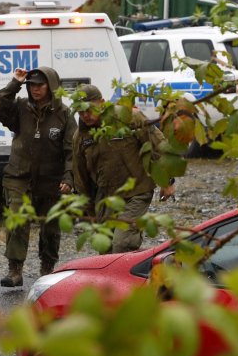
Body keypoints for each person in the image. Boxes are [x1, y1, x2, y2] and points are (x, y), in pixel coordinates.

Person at [0, 66, 74, 287]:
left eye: (40, 85)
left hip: (50, 179)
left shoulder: (64, 114)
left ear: (52, 87)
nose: (35, 89)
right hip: (19, 175)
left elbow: (71, 151)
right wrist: (15, 83)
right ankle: (15, 270)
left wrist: (68, 178)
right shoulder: (20, 108)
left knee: (50, 225)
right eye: (32, 85)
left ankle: (47, 268)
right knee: (17, 218)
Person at [72, 84, 175, 253]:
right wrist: (88, 210)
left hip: (137, 191)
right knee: (105, 250)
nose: (85, 115)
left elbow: (158, 144)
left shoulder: (128, 118)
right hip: (106, 197)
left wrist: (167, 180)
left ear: (102, 103)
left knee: (121, 243)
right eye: (80, 111)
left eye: (89, 109)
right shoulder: (80, 137)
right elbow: (80, 176)